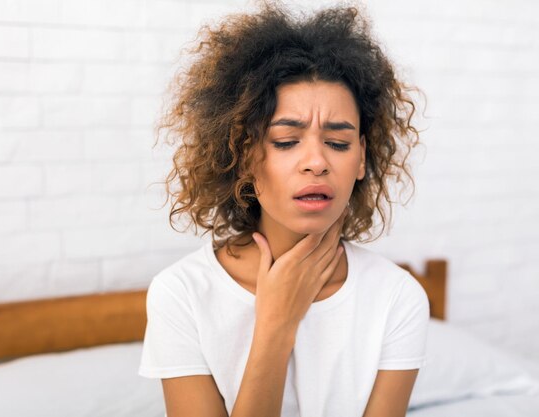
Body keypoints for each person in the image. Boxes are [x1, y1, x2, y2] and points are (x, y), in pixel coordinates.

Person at [138, 2, 430, 416]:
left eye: (339, 143)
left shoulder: (397, 298)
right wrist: (276, 325)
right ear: (243, 156)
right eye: (287, 141)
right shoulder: (182, 295)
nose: (316, 162)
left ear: (362, 158)